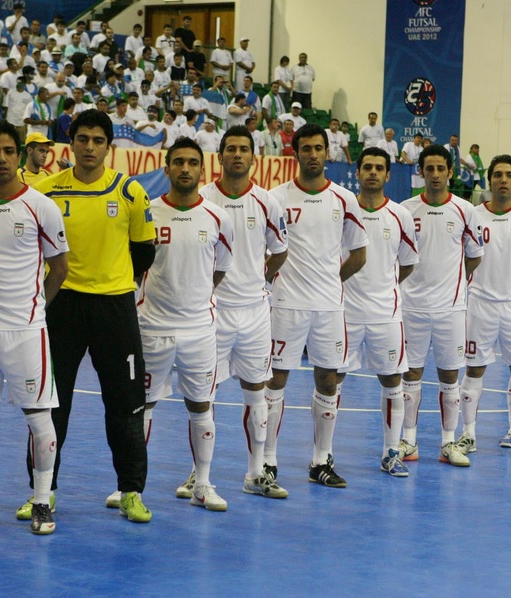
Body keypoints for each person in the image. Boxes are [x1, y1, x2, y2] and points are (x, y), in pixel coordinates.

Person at [30, 110, 155, 524]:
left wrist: (113, 279)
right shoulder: (46, 192)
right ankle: (42, 492)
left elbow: (144, 253)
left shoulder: (129, 191)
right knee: (51, 404)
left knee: (126, 405)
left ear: (108, 147)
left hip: (115, 308)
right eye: (82, 139)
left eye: (98, 140)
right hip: (62, 305)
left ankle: (131, 491)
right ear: (71, 144)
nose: (89, 147)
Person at [0, 121, 67, 534]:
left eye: (8, 151)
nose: (1, 159)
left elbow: (59, 269)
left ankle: (42, 500)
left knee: (40, 417)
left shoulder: (42, 207)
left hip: (25, 332)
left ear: (19, 156)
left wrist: (36, 309)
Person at [265, 124, 368, 488]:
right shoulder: (275, 198)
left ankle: (321, 460)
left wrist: (330, 281)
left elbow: (359, 254)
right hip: (286, 304)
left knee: (328, 379)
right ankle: (267, 461)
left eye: (318, 148)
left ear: (328, 153)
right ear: (295, 154)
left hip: (329, 308)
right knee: (275, 379)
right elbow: (266, 252)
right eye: (305, 148)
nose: (312, 154)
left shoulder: (344, 199)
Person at [137, 137, 234, 511]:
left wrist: (194, 300)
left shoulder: (217, 217)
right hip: (152, 328)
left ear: (202, 170)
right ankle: (132, 486)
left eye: (192, 162)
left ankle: (203, 484)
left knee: (202, 406)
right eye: (178, 162)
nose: (185, 168)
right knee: (141, 407)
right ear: (167, 168)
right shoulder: (148, 212)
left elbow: (220, 268)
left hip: (199, 331)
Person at [198, 126, 289, 498]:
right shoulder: (203, 198)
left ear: (254, 157)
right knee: (203, 396)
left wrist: (259, 280)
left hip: (254, 313)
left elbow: (280, 250)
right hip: (212, 313)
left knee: (257, 391)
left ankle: (255, 473)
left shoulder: (267, 202)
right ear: (219, 156)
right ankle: (198, 475)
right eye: (230, 149)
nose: (237, 155)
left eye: (244, 149)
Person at [398, 144, 483, 466]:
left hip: (450, 310)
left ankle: (448, 443)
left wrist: (452, 286)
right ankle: (408, 441)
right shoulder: (405, 210)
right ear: (421, 172)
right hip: (412, 308)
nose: (434, 175)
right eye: (428, 169)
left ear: (450, 172)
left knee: (450, 377)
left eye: (440, 169)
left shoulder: (465, 210)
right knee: (411, 376)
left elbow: (473, 258)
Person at [457, 155, 511, 458]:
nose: (503, 180)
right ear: (490, 180)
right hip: (480, 304)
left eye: (509, 175)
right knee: (474, 369)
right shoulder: (472, 215)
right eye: (497, 175)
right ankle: (468, 434)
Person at [336, 147, 418, 476]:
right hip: (343, 313)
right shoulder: (342, 209)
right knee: (331, 378)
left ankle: (390, 452)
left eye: (379, 168)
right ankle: (323, 455)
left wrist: (385, 287)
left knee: (392, 379)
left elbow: (408, 265)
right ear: (357, 173)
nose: (372, 172)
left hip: (386, 314)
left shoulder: (400, 215)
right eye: (366, 167)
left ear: (388, 175)